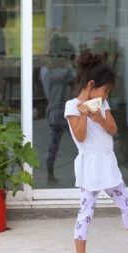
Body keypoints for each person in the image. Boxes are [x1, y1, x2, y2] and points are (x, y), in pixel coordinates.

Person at [64, 50, 128, 253]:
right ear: (91, 84)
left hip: (108, 164)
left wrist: (99, 117)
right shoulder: (72, 106)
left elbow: (113, 129)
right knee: (86, 211)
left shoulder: (102, 105)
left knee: (127, 202)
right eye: (105, 90)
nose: (106, 95)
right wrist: (84, 114)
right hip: (90, 167)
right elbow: (81, 137)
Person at [40, 54, 74, 184]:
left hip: (54, 113)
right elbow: (73, 78)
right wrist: (67, 64)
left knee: (53, 145)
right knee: (81, 144)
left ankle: (50, 174)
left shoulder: (46, 73)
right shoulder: (65, 73)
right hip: (65, 112)